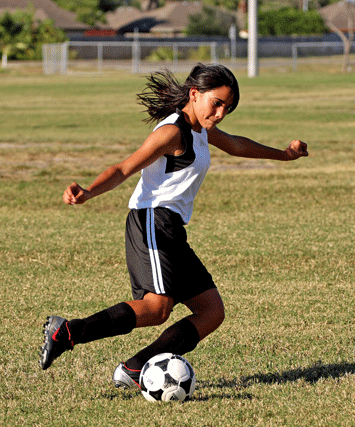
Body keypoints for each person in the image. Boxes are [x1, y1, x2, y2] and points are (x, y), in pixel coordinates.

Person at [38, 63, 309, 389]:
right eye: (217, 103)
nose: (221, 113)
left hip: (172, 227)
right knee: (156, 308)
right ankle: (67, 332)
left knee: (211, 312)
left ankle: (137, 368)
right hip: (151, 220)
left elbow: (237, 145)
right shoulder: (172, 132)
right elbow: (124, 168)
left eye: (228, 107)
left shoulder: (201, 129)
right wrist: (88, 192)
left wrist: (285, 155)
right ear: (195, 94)